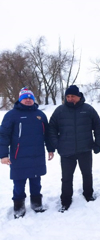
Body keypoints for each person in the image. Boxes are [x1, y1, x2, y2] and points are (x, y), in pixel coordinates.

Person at [0, 87, 54, 218]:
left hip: (37, 155)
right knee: (19, 183)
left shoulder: (40, 115)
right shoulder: (11, 115)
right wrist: (3, 155)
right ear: (20, 100)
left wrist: (51, 148)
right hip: (19, 156)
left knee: (36, 181)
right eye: (25, 98)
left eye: (30, 98)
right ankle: (18, 207)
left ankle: (37, 204)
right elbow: (3, 135)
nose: (28, 100)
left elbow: (48, 134)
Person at [49, 85, 100, 212]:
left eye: (72, 96)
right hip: (66, 151)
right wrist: (58, 144)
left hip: (85, 149)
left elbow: (98, 127)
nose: (70, 98)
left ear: (79, 96)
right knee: (66, 178)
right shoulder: (59, 111)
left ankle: (88, 194)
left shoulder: (88, 109)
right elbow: (51, 129)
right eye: (67, 96)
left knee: (87, 174)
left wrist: (98, 144)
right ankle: (66, 200)